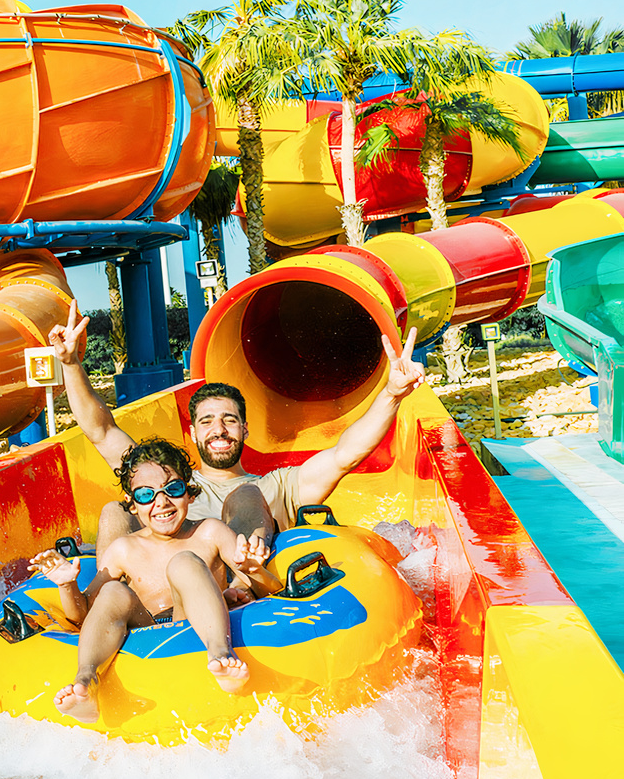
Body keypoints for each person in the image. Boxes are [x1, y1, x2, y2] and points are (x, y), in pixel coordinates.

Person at [47, 300, 426, 560]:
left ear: (244, 430)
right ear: (193, 434)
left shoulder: (277, 486)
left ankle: (238, 580)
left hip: (243, 589)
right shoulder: (165, 486)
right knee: (115, 510)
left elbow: (347, 454)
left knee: (244, 495)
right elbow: (101, 431)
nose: (219, 430)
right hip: (160, 593)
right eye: (207, 421)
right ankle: (104, 596)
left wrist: (392, 393)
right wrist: (70, 365)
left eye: (229, 420)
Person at [29, 438, 281, 724]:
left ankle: (220, 654)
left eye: (172, 489)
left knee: (184, 562)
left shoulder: (210, 532)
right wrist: (67, 585)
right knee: (112, 590)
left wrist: (254, 571)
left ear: (190, 493)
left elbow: (273, 594)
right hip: (147, 628)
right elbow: (84, 617)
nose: (161, 502)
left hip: (194, 622)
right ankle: (87, 680)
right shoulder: (123, 549)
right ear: (132, 505)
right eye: (146, 495)